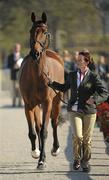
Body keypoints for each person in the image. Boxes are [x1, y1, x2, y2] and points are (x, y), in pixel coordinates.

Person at [48, 50, 109, 172]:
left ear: (86, 62)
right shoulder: (72, 75)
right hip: (74, 110)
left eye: (81, 60)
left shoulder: (93, 76)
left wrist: (95, 99)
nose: (78, 62)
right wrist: (51, 83)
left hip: (89, 112)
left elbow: (105, 93)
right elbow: (64, 87)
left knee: (87, 138)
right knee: (77, 136)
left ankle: (85, 161)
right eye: (77, 60)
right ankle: (76, 159)